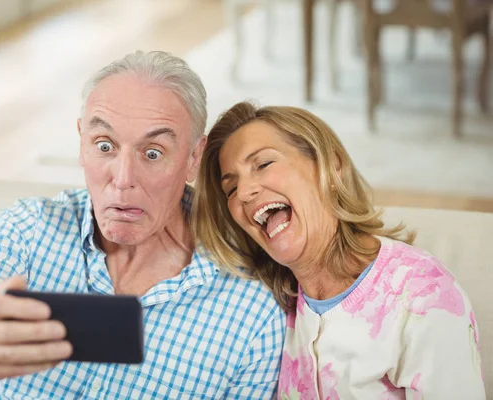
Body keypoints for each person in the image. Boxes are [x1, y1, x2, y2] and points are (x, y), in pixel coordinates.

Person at [0, 52, 286, 399]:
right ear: (82, 143)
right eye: (105, 145)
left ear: (193, 159)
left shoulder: (252, 310)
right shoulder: (28, 229)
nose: (123, 179)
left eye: (153, 153)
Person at [192, 101, 486, 399]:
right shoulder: (272, 307)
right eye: (230, 188)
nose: (243, 193)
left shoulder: (423, 296)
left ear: (331, 167)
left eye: (263, 164)